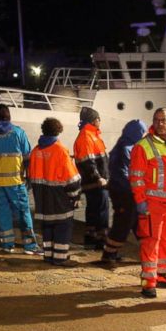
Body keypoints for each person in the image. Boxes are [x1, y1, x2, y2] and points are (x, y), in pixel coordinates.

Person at [131, 108, 166, 298]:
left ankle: (162, 275)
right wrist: (140, 201)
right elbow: (136, 177)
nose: (161, 123)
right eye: (157, 120)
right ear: (153, 122)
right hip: (153, 202)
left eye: (165, 120)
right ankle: (148, 281)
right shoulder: (143, 146)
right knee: (150, 241)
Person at [0, 104, 38, 254]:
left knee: (2, 212)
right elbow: (27, 158)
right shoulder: (18, 133)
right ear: (8, 115)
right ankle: (29, 246)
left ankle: (7, 245)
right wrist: (29, 176)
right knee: (23, 212)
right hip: (16, 182)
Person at [27, 118, 81, 266]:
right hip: (58, 197)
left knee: (47, 225)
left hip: (41, 196)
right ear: (59, 130)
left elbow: (30, 176)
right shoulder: (60, 150)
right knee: (63, 225)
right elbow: (71, 178)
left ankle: (49, 255)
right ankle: (60, 258)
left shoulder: (36, 151)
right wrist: (75, 196)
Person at [103, 119, 147, 262]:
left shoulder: (126, 145)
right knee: (123, 222)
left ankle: (147, 252)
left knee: (134, 221)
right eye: (143, 131)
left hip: (124, 190)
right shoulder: (126, 148)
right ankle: (109, 254)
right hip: (123, 192)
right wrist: (135, 189)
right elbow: (124, 174)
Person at [73, 106, 110, 250]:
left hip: (94, 183)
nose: (100, 121)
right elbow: (88, 161)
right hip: (96, 183)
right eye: (99, 119)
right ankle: (100, 240)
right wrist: (99, 178)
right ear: (95, 120)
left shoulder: (90, 135)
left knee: (94, 210)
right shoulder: (87, 136)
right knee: (101, 211)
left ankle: (92, 238)